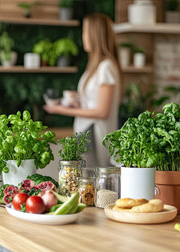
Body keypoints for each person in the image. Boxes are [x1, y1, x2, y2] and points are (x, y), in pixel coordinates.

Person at [44, 13, 122, 167]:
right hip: (86, 132)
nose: (83, 37)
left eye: (85, 32)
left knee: (92, 183)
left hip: (95, 135)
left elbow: (102, 111)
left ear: (94, 35)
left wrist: (62, 110)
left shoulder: (105, 67)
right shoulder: (95, 66)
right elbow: (94, 104)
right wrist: (77, 103)